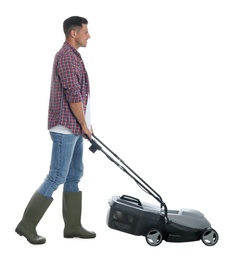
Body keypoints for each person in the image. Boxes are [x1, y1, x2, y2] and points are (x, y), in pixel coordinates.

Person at [15, 16, 96, 245]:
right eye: (85, 32)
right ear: (73, 33)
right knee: (57, 176)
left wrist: (86, 125)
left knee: (74, 175)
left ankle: (72, 226)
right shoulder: (66, 57)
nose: (88, 36)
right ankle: (26, 225)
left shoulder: (74, 56)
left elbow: (80, 94)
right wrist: (82, 124)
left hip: (76, 128)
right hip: (65, 128)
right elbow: (72, 95)